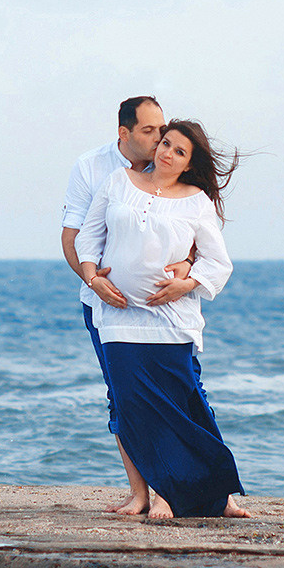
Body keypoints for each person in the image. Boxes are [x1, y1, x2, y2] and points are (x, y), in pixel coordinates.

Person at [75, 119, 248, 520]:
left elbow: (218, 262)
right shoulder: (118, 182)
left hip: (171, 321)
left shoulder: (196, 201)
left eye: (179, 151)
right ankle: (158, 493)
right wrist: (92, 277)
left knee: (185, 405)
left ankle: (214, 494)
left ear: (189, 163)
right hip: (117, 318)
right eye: (165, 144)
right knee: (133, 407)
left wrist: (186, 284)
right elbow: (88, 236)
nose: (167, 153)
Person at [60, 96, 188, 513]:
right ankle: (140, 493)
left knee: (177, 392)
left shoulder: (171, 165)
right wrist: (95, 282)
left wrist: (187, 267)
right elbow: (74, 237)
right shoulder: (93, 168)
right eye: (149, 132)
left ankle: (179, 488)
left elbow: (197, 230)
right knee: (123, 394)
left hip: (162, 307)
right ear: (124, 133)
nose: (159, 140)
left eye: (162, 129)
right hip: (106, 305)